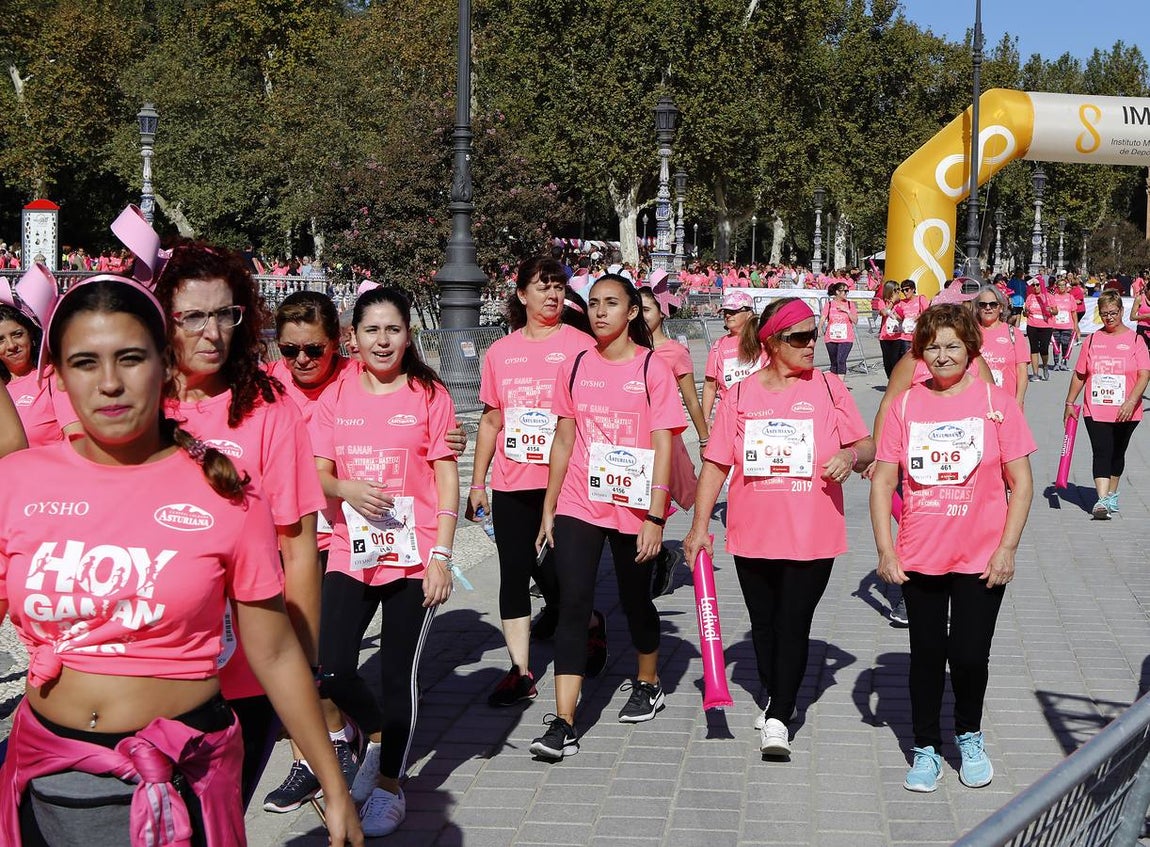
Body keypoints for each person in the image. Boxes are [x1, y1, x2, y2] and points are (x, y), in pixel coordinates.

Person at [0, 274, 362, 846]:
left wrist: (332, 781)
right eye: (86, 363)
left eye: (130, 358)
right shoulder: (15, 483)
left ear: (165, 365)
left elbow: (272, 650)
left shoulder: (224, 490)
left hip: (182, 778)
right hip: (47, 781)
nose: (111, 384)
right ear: (60, 379)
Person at [152, 243, 335, 808]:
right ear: (161, 319)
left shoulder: (269, 410)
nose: (212, 333)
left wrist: (303, 667)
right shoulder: (135, 403)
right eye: (193, 317)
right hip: (149, 671)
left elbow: (299, 549)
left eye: (224, 314)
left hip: (245, 675)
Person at [684, 298, 874, 756]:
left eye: (816, 334)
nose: (814, 344)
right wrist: (697, 528)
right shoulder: (741, 394)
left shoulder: (829, 388)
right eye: (801, 337)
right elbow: (714, 465)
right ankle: (774, 694)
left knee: (793, 625)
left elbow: (867, 446)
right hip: (753, 532)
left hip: (813, 533)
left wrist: (850, 457)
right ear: (770, 341)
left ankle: (779, 716)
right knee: (764, 625)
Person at [870, 303, 1035, 794]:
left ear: (971, 349)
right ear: (920, 351)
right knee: (925, 656)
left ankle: (968, 734)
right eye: (933, 347)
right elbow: (882, 482)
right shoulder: (905, 404)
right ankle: (925, 746)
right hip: (920, 553)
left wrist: (1007, 549)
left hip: (981, 555)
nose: (942, 356)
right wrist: (885, 549)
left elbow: (1021, 484)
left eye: (952, 346)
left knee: (967, 656)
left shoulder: (995, 402)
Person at [311, 285, 458, 837]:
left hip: (414, 554)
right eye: (371, 330)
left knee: (399, 675)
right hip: (353, 551)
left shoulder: (428, 394)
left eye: (393, 329)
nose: (382, 340)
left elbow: (446, 474)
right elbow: (317, 472)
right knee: (330, 668)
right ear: (353, 336)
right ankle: (372, 733)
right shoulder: (337, 393)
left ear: (408, 334)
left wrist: (441, 555)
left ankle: (391, 786)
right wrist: (344, 487)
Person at [531, 274, 685, 761]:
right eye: (594, 304)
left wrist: (656, 515)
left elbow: (664, 442)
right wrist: (550, 505)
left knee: (634, 599)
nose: (599, 312)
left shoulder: (651, 369)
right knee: (573, 602)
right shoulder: (575, 365)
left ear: (632, 313)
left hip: (636, 503)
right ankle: (564, 722)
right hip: (581, 498)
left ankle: (647, 679)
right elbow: (563, 439)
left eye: (611, 304)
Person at [467, 257, 597, 710]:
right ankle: (520, 670)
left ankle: (588, 622)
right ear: (521, 294)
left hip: (568, 482)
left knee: (561, 572)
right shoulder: (500, 353)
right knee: (514, 571)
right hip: (511, 479)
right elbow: (490, 420)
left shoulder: (582, 346)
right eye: (543, 287)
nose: (553, 295)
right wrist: (478, 481)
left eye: (559, 287)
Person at [1064, 289, 1150, 519]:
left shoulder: (1135, 340)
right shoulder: (1092, 340)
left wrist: (1131, 401)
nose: (1109, 317)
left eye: (1113, 312)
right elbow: (1080, 374)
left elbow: (1144, 374)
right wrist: (1069, 402)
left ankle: (1111, 494)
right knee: (1101, 451)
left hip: (1127, 410)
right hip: (1096, 408)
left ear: (1122, 311)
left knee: (1117, 453)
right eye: (1104, 314)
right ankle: (1101, 501)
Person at [0, 270, 80, 446]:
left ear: (32, 337)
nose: (11, 345)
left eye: (17, 334)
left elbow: (76, 440)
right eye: (1, 340)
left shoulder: (52, 378)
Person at [702, 290, 763, 420]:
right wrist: (705, 421)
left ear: (748, 314)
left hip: (762, 415)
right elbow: (710, 386)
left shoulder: (763, 341)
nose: (728, 315)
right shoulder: (718, 346)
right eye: (725, 312)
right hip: (728, 417)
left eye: (734, 311)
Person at [971, 285, 1029, 408]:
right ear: (977, 308)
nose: (988, 308)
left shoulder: (1014, 333)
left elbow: (1022, 372)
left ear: (1001, 307)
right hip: (977, 404)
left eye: (993, 304)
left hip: (1007, 403)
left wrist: (1018, 401)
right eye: (983, 304)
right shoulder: (970, 333)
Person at [820, 281, 858, 380]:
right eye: (844, 291)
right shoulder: (829, 304)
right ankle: (834, 384)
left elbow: (855, 320)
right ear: (837, 292)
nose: (846, 293)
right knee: (834, 362)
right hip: (831, 337)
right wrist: (819, 328)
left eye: (847, 291)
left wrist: (847, 310)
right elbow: (823, 317)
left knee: (841, 360)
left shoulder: (850, 304)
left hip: (846, 338)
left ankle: (840, 385)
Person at [1023, 279, 1054, 381]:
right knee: (1034, 348)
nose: (1035, 287)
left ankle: (1045, 366)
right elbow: (1025, 313)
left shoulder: (1048, 297)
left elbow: (1056, 311)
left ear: (1041, 285)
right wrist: (1025, 312)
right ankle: (1035, 373)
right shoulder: (1030, 297)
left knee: (1044, 348)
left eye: (1037, 285)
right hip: (1032, 325)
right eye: (1033, 285)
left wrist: (1052, 310)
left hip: (1046, 326)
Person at [1048, 276, 1079, 371]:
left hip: (1067, 326)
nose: (1061, 287)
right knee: (1056, 345)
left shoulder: (1070, 297)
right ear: (1057, 287)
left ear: (1066, 287)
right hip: (1055, 325)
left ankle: (1064, 362)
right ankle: (1056, 363)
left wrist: (1076, 325)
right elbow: (1050, 311)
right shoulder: (1053, 297)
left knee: (1066, 344)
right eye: (1059, 285)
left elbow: (1074, 313)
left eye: (1063, 285)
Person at [876, 281, 906, 378]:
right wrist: (892, 302)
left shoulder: (900, 303)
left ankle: (896, 382)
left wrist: (897, 315)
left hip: (898, 336)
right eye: (896, 290)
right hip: (885, 336)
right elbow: (884, 313)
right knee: (887, 362)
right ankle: (891, 380)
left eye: (899, 290)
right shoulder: (882, 302)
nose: (898, 292)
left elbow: (902, 318)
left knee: (896, 361)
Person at [893, 280, 928, 348]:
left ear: (913, 289)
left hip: (918, 336)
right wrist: (895, 316)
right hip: (905, 337)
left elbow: (927, 313)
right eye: (903, 291)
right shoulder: (901, 302)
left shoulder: (921, 298)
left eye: (907, 289)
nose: (905, 292)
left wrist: (918, 317)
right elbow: (901, 318)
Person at [1131, 276, 1150, 350]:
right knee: (1142, 350)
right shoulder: (1139, 299)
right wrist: (1146, 316)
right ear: (1147, 289)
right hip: (1142, 329)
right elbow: (1132, 317)